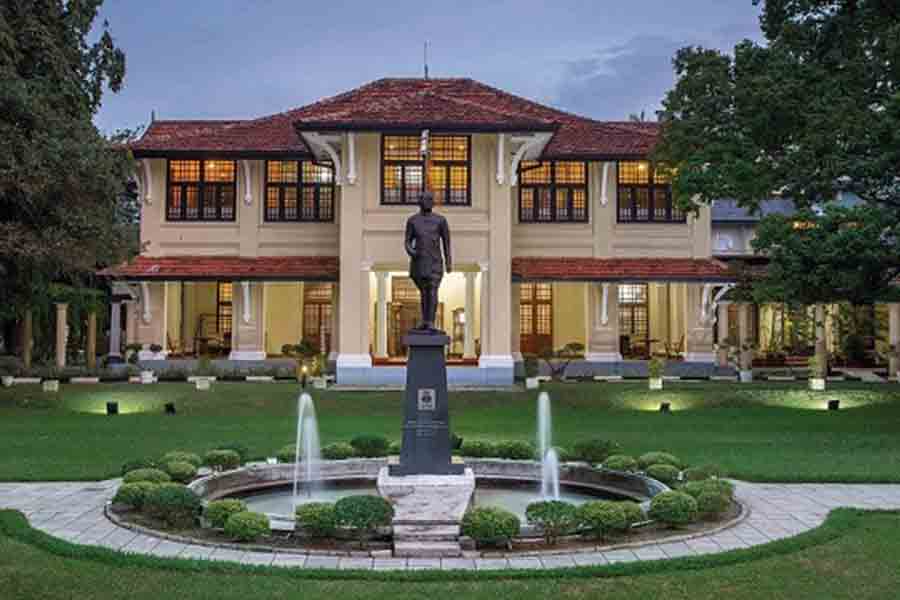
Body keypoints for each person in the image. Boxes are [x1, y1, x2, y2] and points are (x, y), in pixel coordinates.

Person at [404, 191, 451, 333]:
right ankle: (425, 321)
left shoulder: (440, 220)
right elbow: (407, 241)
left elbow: (447, 243)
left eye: (431, 200)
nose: (430, 202)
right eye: (426, 199)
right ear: (420, 202)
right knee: (424, 292)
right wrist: (412, 252)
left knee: (432, 289)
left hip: (435, 261)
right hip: (419, 261)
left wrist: (449, 261)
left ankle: (430, 322)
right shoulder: (413, 221)